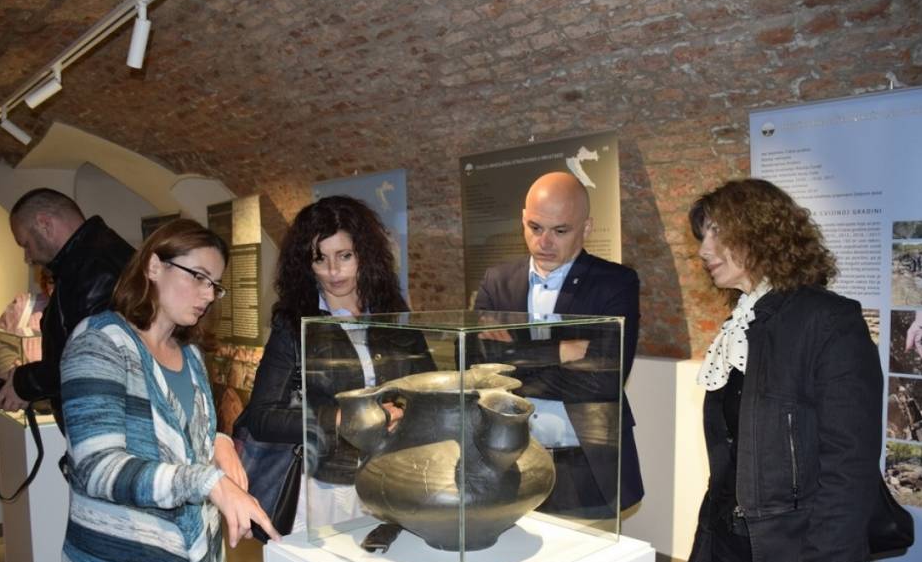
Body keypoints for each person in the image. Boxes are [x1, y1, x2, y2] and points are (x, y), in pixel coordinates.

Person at [59, 219, 278, 562]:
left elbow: (181, 436)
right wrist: (207, 482)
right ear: (154, 266)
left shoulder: (190, 355)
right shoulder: (100, 343)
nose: (207, 295)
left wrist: (217, 441)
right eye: (198, 277)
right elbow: (98, 468)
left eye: (214, 285)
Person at [686, 178, 882, 562]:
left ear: (763, 233)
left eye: (717, 232)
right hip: (736, 553)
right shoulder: (740, 325)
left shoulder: (828, 322)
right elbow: (729, 456)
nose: (704, 249)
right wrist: (707, 545)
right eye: (703, 235)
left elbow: (849, 473)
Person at [240, 195, 433, 535]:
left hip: (394, 472)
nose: (333, 271)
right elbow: (263, 416)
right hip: (328, 484)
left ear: (365, 254)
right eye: (320, 258)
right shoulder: (293, 323)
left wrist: (404, 411)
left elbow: (426, 385)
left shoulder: (392, 311)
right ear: (306, 263)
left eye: (345, 256)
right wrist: (342, 418)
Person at [473, 171, 643, 516]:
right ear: (523, 218)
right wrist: (562, 352)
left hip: (585, 459)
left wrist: (514, 358)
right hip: (509, 459)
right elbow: (478, 369)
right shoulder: (497, 280)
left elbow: (603, 380)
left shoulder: (615, 283)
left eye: (560, 231)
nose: (544, 242)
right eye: (535, 227)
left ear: (587, 227)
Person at [0, 188, 134, 432]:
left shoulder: (93, 268)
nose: (27, 257)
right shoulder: (92, 258)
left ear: (45, 223)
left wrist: (25, 383)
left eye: (26, 244)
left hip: (109, 428)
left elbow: (89, 360)